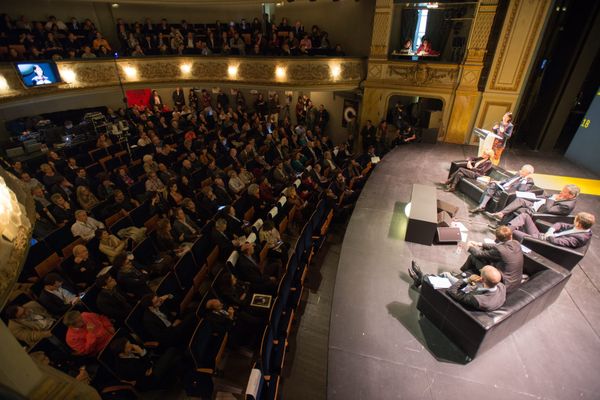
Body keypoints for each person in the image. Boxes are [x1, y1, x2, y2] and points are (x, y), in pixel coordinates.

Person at [409, 262, 506, 311]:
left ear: (482, 279)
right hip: (473, 290)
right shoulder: (501, 286)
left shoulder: (477, 300)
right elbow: (483, 289)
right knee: (446, 274)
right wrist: (474, 285)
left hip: (463, 294)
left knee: (428, 279)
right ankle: (421, 280)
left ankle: (421, 279)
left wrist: (468, 280)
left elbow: (452, 291)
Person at [460, 226, 524, 293]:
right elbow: (497, 246)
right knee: (485, 254)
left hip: (503, 283)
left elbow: (479, 254)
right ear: (510, 235)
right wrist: (480, 244)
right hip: (515, 282)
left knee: (473, 257)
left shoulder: (500, 251)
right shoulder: (516, 243)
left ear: (497, 238)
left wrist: (470, 247)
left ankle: (463, 276)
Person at [487, 184, 579, 228]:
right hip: (538, 204)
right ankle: (501, 213)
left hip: (539, 212)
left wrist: (553, 199)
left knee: (520, 210)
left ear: (571, 195)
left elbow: (548, 209)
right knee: (519, 200)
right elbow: (546, 196)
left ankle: (501, 227)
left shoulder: (567, 206)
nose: (561, 192)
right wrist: (533, 196)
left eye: (564, 192)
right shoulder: (564, 197)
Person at [110, 337, 182, 391]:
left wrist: (145, 357)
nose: (132, 346)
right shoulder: (124, 366)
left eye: (130, 344)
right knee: (171, 351)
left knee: (175, 359)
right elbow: (146, 370)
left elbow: (147, 356)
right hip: (148, 380)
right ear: (121, 353)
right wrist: (141, 352)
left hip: (150, 368)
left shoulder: (130, 350)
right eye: (128, 347)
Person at [469, 164, 535, 213]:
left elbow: (521, 190)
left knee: (492, 189)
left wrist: (525, 180)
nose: (520, 171)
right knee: (493, 184)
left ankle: (483, 206)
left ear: (528, 173)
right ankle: (482, 206)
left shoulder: (529, 182)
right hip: (502, 187)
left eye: (523, 171)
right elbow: (508, 180)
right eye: (521, 170)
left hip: (507, 193)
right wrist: (499, 182)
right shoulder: (518, 174)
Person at [510, 212, 594, 249]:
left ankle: (502, 235)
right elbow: (560, 224)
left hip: (542, 243)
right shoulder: (580, 227)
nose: (573, 221)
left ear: (579, 224)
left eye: (575, 220)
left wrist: (548, 236)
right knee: (525, 216)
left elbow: (558, 242)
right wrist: (551, 230)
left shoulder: (580, 238)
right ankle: (503, 233)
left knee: (513, 232)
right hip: (543, 236)